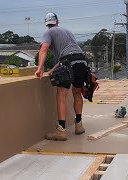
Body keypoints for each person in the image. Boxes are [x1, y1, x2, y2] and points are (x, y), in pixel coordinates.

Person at [35, 12, 88, 141]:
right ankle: (79, 125)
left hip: (68, 62)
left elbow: (44, 49)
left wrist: (40, 67)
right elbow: (69, 53)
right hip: (82, 61)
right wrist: (53, 69)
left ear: (47, 24)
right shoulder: (67, 32)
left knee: (61, 95)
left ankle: (61, 131)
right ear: (57, 21)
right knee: (77, 93)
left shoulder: (48, 33)